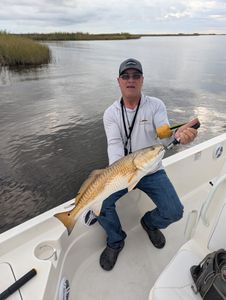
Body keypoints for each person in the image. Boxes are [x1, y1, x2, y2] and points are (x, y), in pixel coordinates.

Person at [97, 58, 199, 271]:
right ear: (119, 81)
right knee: (101, 204)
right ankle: (116, 240)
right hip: (123, 171)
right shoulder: (111, 113)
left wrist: (178, 136)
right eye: (126, 76)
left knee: (174, 211)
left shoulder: (156, 105)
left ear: (142, 80)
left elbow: (163, 136)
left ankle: (149, 223)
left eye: (136, 76)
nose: (130, 80)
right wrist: (120, 173)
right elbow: (114, 147)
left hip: (152, 169)